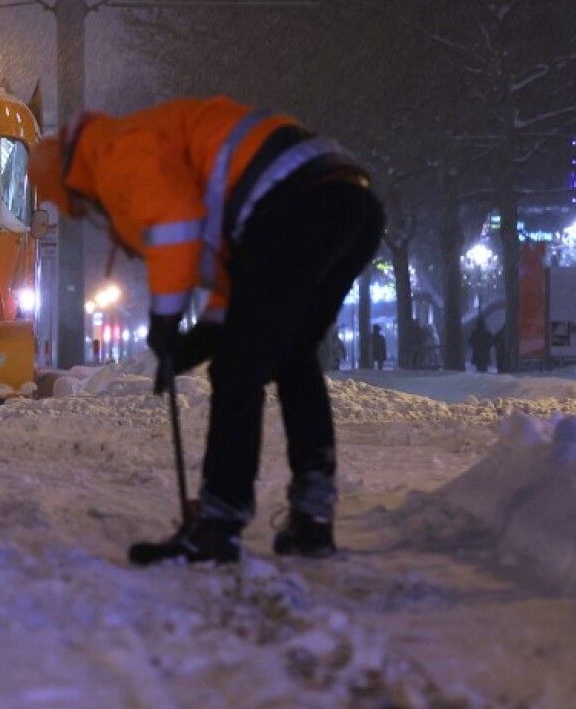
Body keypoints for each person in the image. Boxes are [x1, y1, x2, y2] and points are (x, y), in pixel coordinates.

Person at [29, 96, 384, 564]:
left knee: (239, 369)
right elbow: (233, 277)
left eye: (78, 207)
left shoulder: (116, 153)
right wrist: (198, 340)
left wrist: (165, 319)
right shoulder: (146, 138)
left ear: (73, 186)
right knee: (293, 356)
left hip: (295, 207)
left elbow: (176, 227)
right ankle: (311, 519)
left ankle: (219, 522)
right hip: (351, 203)